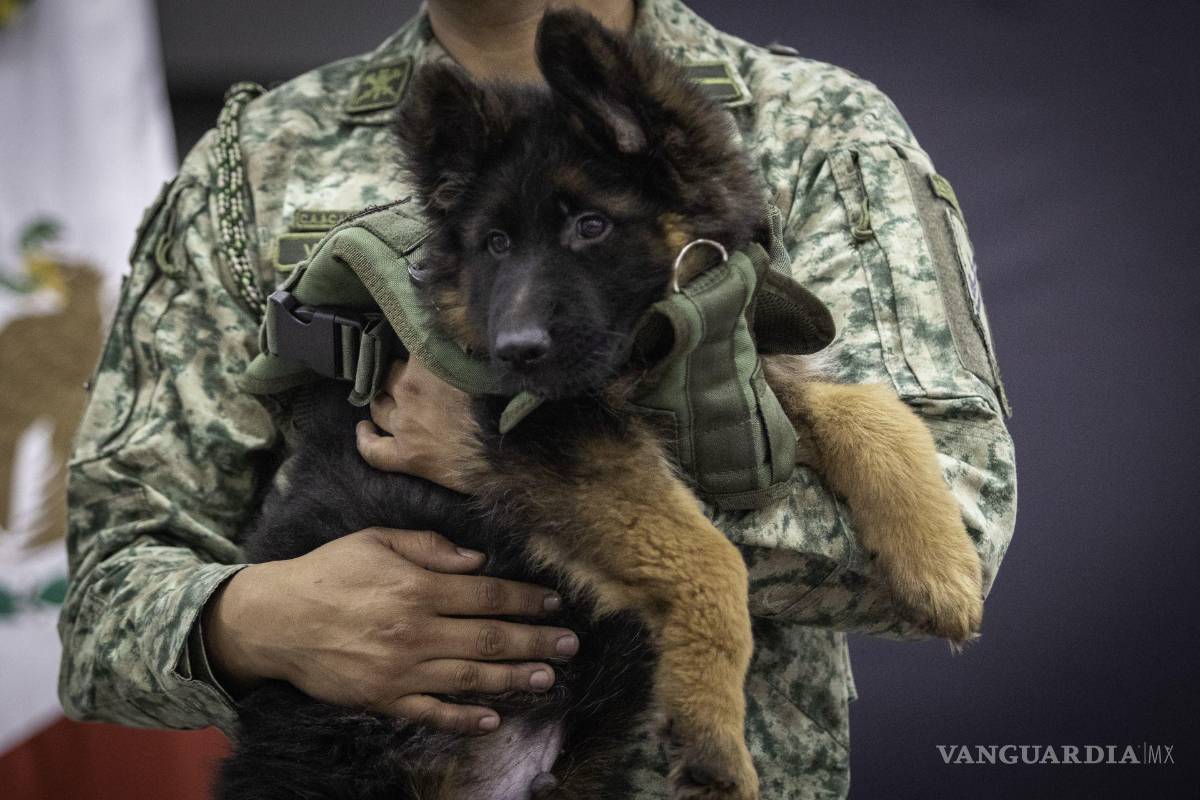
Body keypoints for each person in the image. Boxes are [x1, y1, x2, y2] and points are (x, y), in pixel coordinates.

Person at [57, 0, 1017, 797]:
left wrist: (500, 461)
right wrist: (252, 619)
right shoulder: (249, 162)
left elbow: (953, 549)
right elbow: (98, 606)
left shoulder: (817, 128)